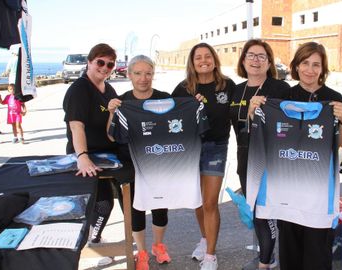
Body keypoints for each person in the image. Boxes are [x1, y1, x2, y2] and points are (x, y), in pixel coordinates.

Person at [249, 41, 342, 270]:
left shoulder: (334, 98)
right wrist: (253, 109)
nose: (310, 69)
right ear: (296, 66)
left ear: (323, 69)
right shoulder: (283, 96)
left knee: (318, 255)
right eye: (305, 63)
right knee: (291, 255)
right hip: (287, 191)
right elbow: (261, 131)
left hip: (318, 193)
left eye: (316, 65)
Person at [171, 43, 235, 270]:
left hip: (216, 147)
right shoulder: (183, 88)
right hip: (191, 150)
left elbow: (237, 117)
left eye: (208, 56)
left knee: (209, 202)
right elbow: (171, 122)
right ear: (192, 62)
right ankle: (205, 238)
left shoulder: (227, 86)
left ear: (215, 60)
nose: (203, 60)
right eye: (198, 57)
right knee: (198, 202)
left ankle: (210, 256)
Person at [107, 55, 172, 270]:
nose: (143, 78)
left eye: (148, 73)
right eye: (138, 73)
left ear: (153, 74)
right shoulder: (123, 101)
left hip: (158, 163)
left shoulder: (165, 99)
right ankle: (141, 251)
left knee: (160, 207)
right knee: (135, 210)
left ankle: (158, 246)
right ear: (129, 75)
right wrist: (111, 113)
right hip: (130, 163)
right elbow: (111, 136)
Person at [229, 39, 290, 270]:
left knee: (268, 213)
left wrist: (257, 115)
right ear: (243, 60)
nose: (255, 60)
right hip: (245, 158)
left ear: (269, 62)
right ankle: (267, 255)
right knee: (256, 212)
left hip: (272, 159)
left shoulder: (281, 89)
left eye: (261, 56)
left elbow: (289, 126)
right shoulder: (236, 89)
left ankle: (265, 263)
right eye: (251, 55)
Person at [62, 43, 120, 266]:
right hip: (86, 156)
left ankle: (93, 238)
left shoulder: (109, 90)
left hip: (106, 156)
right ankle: (90, 244)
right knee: (97, 204)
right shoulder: (79, 89)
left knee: (105, 204)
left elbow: (110, 127)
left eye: (110, 64)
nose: (105, 67)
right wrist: (83, 157)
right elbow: (76, 127)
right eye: (101, 62)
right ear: (90, 61)